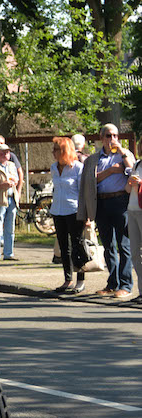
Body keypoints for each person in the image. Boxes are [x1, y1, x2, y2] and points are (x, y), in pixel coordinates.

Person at [77, 123, 135, 299]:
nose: (113, 139)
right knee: (108, 246)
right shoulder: (93, 160)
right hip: (101, 203)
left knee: (123, 245)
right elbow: (88, 182)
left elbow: (132, 171)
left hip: (120, 202)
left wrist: (122, 154)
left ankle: (125, 285)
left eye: (115, 135)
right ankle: (113, 283)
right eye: (108, 136)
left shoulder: (124, 155)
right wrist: (111, 171)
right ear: (102, 138)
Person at [49, 137, 87, 294]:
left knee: (78, 245)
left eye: (56, 149)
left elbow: (83, 192)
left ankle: (81, 279)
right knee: (64, 246)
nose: (53, 152)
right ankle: (67, 278)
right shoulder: (53, 167)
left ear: (64, 151)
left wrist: (87, 215)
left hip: (74, 210)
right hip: (58, 210)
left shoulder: (77, 167)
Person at [125, 157, 142, 303]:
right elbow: (127, 189)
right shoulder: (137, 164)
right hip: (132, 209)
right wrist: (130, 182)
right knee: (135, 253)